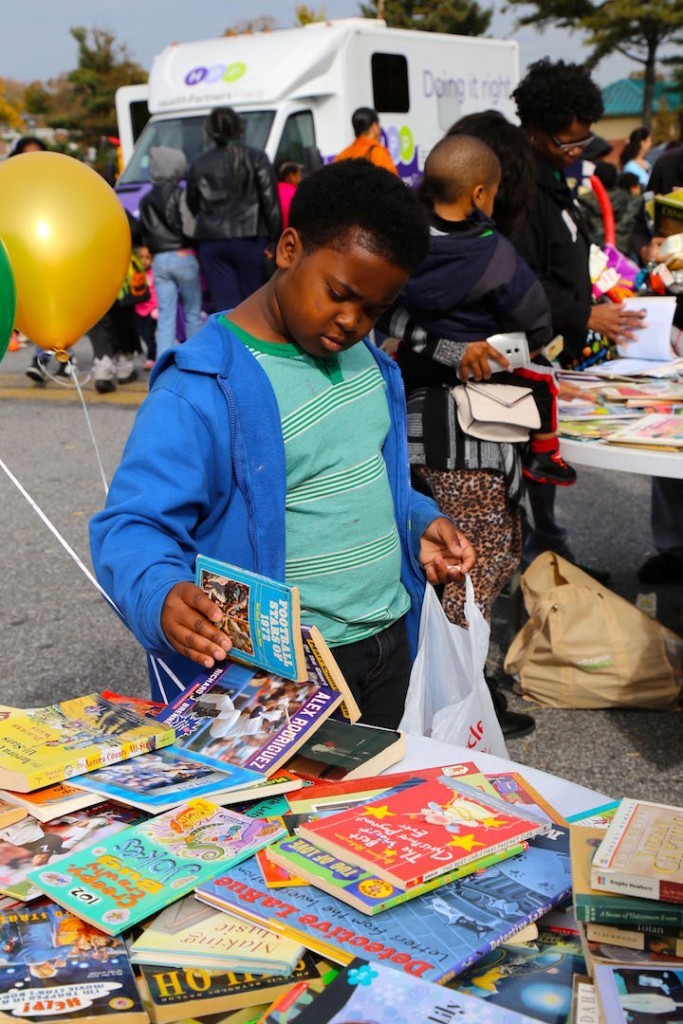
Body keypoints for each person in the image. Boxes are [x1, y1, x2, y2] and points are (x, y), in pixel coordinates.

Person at [90, 160, 475, 727]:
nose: (352, 321)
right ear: (289, 249)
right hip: (286, 679)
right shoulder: (201, 388)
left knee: (377, 809)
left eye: (373, 309)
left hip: (393, 643)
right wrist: (161, 594)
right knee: (296, 816)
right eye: (340, 294)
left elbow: (369, 476)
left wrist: (419, 521)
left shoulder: (371, 365)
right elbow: (131, 526)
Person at [511, 58, 645, 565]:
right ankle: (538, 557)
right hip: (534, 343)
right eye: (567, 143)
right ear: (536, 132)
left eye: (581, 143)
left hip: (558, 339)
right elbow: (523, 278)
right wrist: (584, 315)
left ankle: (546, 544)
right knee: (533, 458)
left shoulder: (555, 177)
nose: (575, 153)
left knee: (546, 455)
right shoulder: (521, 189)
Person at [398, 133, 575, 489]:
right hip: (481, 369)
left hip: (416, 363)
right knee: (544, 378)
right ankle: (545, 454)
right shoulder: (495, 254)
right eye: (493, 194)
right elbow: (537, 323)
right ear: (479, 194)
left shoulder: (406, 242)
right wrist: (509, 348)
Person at [185, 106, 282, 313]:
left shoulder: (198, 163)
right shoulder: (256, 157)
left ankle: (231, 345)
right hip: (251, 238)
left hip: (212, 240)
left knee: (225, 310)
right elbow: (270, 202)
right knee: (257, 305)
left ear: (210, 133)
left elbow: (191, 203)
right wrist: (275, 240)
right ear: (240, 128)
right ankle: (256, 345)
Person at [138, 146, 203, 362]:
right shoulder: (180, 194)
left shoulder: (145, 200)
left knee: (166, 315)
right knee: (193, 313)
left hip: (159, 261)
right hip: (183, 255)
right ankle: (194, 358)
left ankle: (163, 361)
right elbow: (189, 227)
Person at [333, 106, 399, 175]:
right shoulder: (378, 154)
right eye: (378, 124)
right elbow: (393, 183)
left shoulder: (341, 156)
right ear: (374, 127)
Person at [134, 246, 158, 369]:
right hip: (139, 309)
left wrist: (157, 308)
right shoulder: (136, 273)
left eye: (148, 258)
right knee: (142, 334)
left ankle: (152, 358)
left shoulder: (154, 273)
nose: (144, 261)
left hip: (151, 310)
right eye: (141, 257)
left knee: (149, 335)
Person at [276, 161, 303, 229]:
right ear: (291, 176)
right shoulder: (295, 193)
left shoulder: (274, 190)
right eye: (299, 175)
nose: (300, 178)